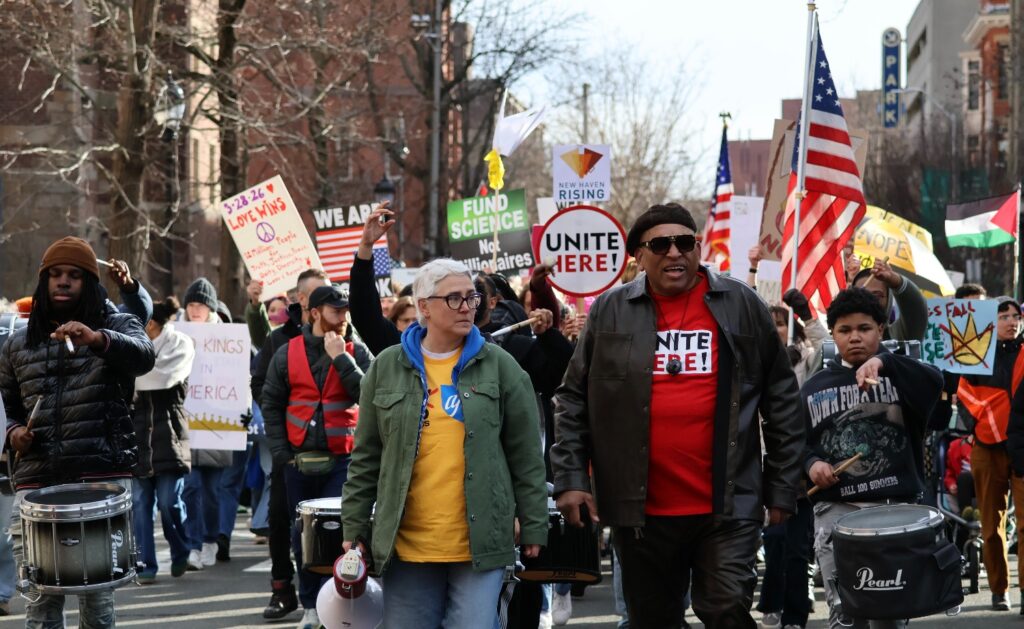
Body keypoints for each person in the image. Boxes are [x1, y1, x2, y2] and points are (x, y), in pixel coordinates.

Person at [552, 203, 804, 628]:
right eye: (661, 244)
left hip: (729, 502)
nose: (675, 253)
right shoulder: (609, 311)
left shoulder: (741, 303)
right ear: (638, 256)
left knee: (724, 607)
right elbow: (573, 398)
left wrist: (783, 485)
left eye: (685, 242)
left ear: (697, 248)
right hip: (640, 510)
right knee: (653, 620)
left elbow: (781, 397)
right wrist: (572, 479)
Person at [341, 258, 548, 628]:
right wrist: (355, 528)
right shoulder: (387, 366)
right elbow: (366, 457)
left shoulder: (501, 366)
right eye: (454, 298)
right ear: (423, 307)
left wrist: (532, 522)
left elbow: (526, 454)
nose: (467, 306)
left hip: (481, 542)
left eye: (471, 297)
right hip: (405, 544)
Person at [0, 236, 155, 627]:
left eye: (73, 275)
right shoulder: (17, 343)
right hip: (37, 482)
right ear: (43, 281)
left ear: (90, 282)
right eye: (54, 274)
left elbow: (144, 356)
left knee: (97, 599)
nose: (63, 282)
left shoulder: (115, 324)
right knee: (40, 601)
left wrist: (97, 339)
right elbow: (10, 406)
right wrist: (14, 432)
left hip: (99, 480)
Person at [804, 287, 943, 628]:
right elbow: (795, 444)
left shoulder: (904, 373)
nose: (855, 337)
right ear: (832, 334)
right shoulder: (812, 386)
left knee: (890, 615)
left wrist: (884, 361)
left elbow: (935, 382)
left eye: (864, 328)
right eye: (844, 330)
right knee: (845, 616)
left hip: (894, 511)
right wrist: (812, 465)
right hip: (836, 512)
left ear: (881, 330)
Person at [262, 285, 371, 629]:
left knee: (343, 535)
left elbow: (369, 397)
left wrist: (343, 358)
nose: (343, 317)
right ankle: (311, 604)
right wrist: (281, 453)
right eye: (336, 311)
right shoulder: (287, 351)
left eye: (345, 311)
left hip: (344, 459)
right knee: (303, 537)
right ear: (315, 314)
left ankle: (339, 603)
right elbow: (272, 402)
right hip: (298, 460)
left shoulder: (357, 349)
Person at [251, 268, 330, 621]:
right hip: (291, 449)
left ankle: (333, 595)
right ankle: (283, 588)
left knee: (331, 522)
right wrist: (289, 415)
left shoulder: (344, 336)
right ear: (301, 299)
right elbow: (260, 386)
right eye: (317, 295)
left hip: (334, 450)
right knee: (282, 517)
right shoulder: (279, 340)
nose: (326, 303)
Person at [757, 289, 827, 629]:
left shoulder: (806, 357)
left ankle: (795, 616)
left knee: (798, 546)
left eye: (781, 323)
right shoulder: (751, 360)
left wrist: (806, 312)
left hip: (797, 463)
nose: (776, 330)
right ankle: (768, 602)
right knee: (770, 542)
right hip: (758, 461)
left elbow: (828, 344)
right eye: (769, 324)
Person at [956, 295, 1024, 612]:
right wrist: (979, 424)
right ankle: (999, 590)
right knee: (990, 525)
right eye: (1004, 316)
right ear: (991, 322)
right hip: (987, 448)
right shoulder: (974, 354)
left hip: (1022, 449)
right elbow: (962, 394)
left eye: (1016, 315)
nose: (1012, 321)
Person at [132, 296, 195, 583]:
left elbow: (161, 378)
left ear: (153, 325)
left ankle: (181, 548)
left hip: (169, 437)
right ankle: (146, 564)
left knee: (170, 503)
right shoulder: (132, 349)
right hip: (138, 440)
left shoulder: (180, 345)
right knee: (140, 505)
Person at [180, 277, 233, 570]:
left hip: (218, 425)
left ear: (210, 307)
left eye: (200, 304)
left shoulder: (227, 338)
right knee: (190, 487)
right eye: (190, 304)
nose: (194, 309)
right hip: (186, 423)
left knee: (212, 491)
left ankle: (211, 539)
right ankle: (193, 544)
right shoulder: (178, 335)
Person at [850, 259, 928, 342]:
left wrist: (895, 280)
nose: (868, 301)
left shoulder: (895, 337)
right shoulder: (838, 340)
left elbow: (916, 310)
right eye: (861, 295)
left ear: (889, 301)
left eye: (876, 296)